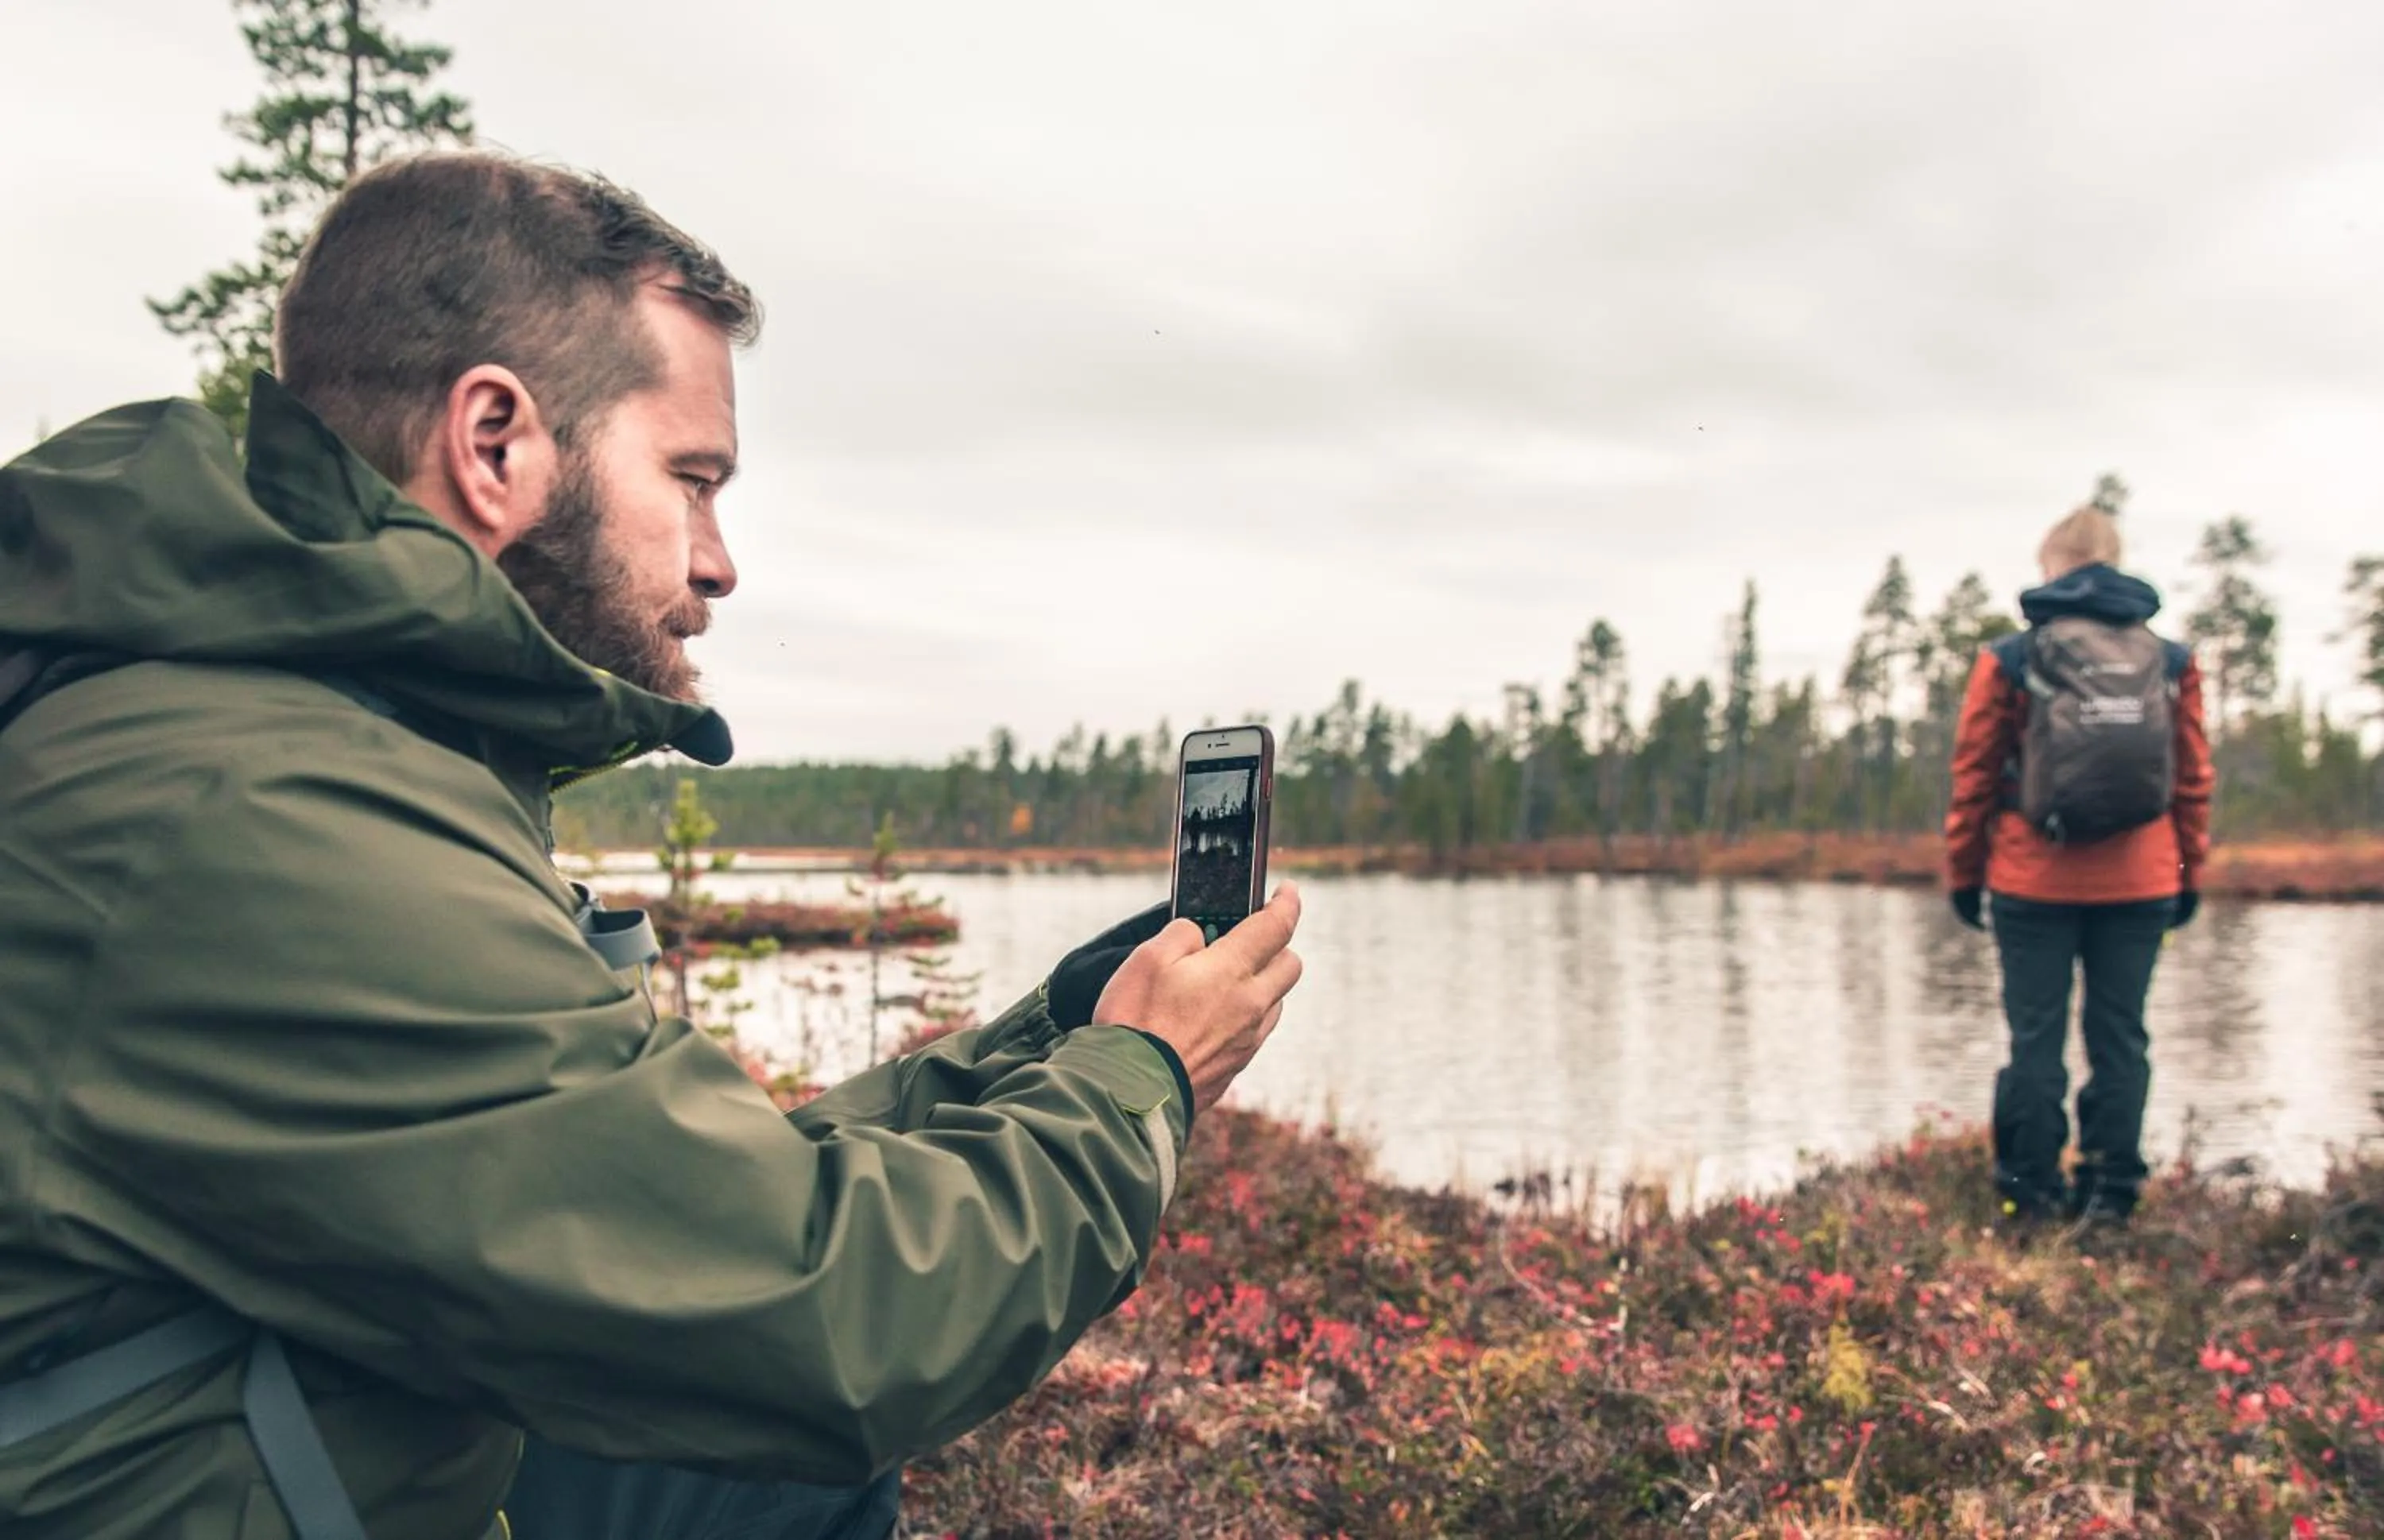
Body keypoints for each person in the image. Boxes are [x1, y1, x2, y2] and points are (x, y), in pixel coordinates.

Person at [0, 150, 1302, 1539]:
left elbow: (657, 1189)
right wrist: (1138, 1076)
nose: (722, 557)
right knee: (790, 1434)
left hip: (282, 1434)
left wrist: (1048, 1040)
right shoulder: (260, 813)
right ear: (496, 442)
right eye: (692, 478)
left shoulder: (304, 736)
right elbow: (822, 1325)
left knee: (774, 1477)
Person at [1943, 503, 2214, 1229]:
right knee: (2121, 1037)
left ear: (2051, 566)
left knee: (2036, 1040)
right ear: (2115, 560)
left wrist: (1965, 874)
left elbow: (1975, 776)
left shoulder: (2013, 658)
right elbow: (2193, 780)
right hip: (2144, 881)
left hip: (2032, 880)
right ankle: (2111, 1196)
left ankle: (2028, 1195)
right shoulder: (2172, 660)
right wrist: (2188, 871)